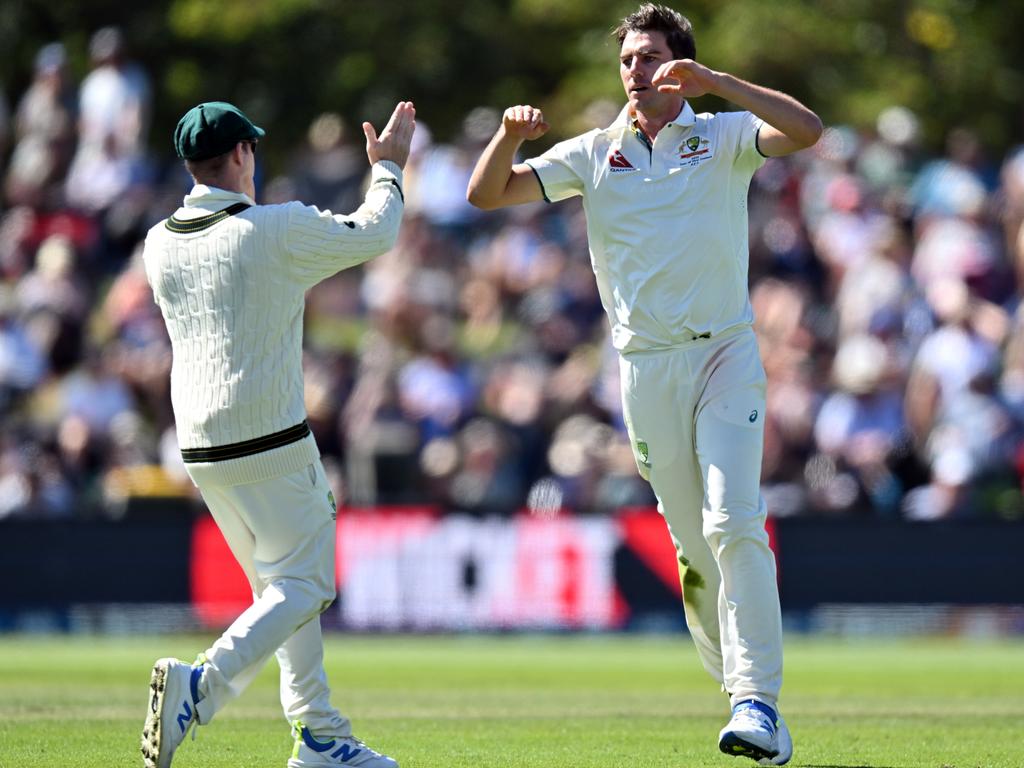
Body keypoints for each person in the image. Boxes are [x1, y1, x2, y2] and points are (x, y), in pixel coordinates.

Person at [467, 4, 821, 764]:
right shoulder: (596, 152)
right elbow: (486, 196)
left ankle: (757, 699)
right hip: (645, 368)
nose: (633, 70)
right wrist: (507, 135)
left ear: (678, 66)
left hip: (725, 354)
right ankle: (742, 693)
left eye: (648, 56)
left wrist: (718, 82)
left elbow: (808, 130)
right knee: (695, 550)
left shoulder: (722, 134)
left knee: (735, 522)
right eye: (626, 59)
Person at [140, 99, 415, 768]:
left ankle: (319, 734)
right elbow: (375, 233)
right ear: (240, 155)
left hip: (200, 448)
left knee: (282, 591)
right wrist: (389, 171)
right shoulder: (275, 228)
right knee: (308, 584)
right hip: (268, 435)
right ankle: (199, 686)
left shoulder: (158, 241)